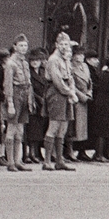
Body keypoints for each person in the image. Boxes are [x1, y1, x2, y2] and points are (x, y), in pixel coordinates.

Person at [42, 31, 78, 171]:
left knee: (63, 128)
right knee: (54, 126)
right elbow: (57, 80)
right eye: (61, 44)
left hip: (66, 93)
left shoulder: (65, 59)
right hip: (57, 93)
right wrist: (70, 93)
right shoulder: (53, 60)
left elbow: (70, 77)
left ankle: (59, 160)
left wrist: (72, 91)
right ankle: (46, 161)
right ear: (56, 44)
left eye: (66, 44)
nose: (64, 46)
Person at [3, 36, 35, 171]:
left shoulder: (25, 63)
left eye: (25, 46)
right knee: (11, 128)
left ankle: (18, 160)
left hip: (25, 94)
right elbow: (8, 85)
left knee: (20, 130)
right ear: (15, 46)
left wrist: (30, 99)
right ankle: (10, 162)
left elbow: (29, 83)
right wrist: (10, 102)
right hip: (15, 95)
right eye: (21, 45)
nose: (23, 48)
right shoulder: (11, 63)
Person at [69, 47, 93, 160]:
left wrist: (89, 93)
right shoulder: (70, 67)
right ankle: (70, 150)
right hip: (77, 100)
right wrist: (83, 97)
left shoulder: (85, 66)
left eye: (82, 54)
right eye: (79, 54)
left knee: (83, 127)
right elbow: (72, 85)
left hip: (85, 98)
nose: (81, 57)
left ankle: (82, 150)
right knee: (75, 127)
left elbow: (89, 82)